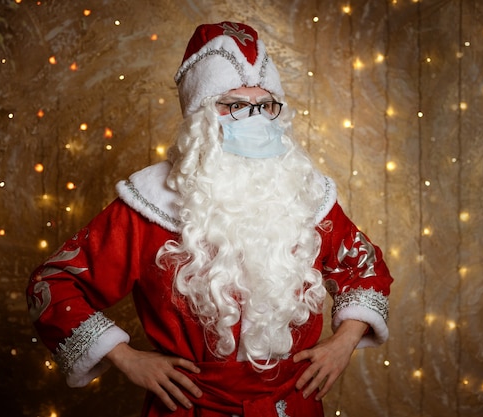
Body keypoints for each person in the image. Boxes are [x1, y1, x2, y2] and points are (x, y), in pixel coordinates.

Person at [26, 21, 393, 417]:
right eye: (234, 105)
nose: (254, 119)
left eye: (265, 104)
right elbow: (55, 283)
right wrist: (126, 357)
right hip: (192, 406)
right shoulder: (150, 203)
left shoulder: (304, 192)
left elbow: (365, 268)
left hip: (294, 404)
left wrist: (343, 343)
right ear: (201, 117)